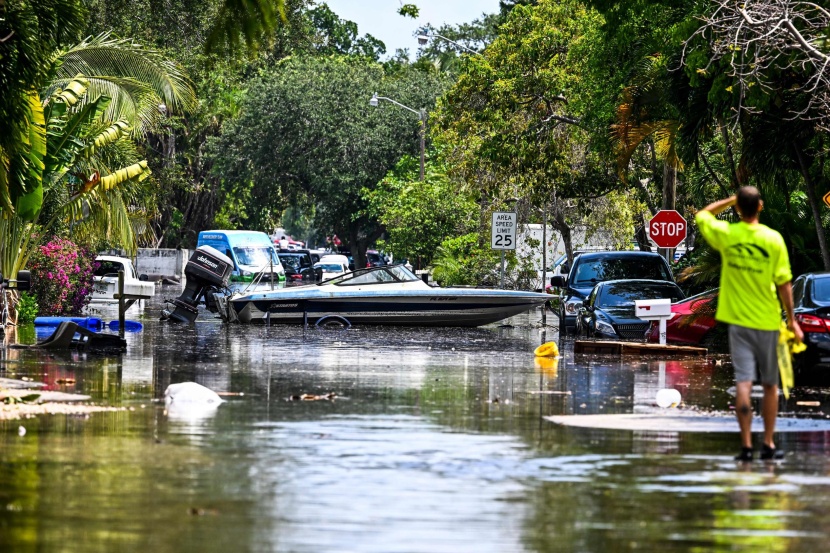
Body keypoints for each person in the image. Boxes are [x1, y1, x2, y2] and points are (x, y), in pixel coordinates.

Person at [695, 186, 803, 462]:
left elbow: (704, 214)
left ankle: (745, 446)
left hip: (738, 322)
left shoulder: (729, 235)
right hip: (767, 322)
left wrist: (731, 200)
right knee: (770, 385)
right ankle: (767, 444)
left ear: (739, 209)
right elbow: (784, 284)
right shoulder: (773, 239)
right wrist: (792, 321)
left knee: (743, 382)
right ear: (760, 207)